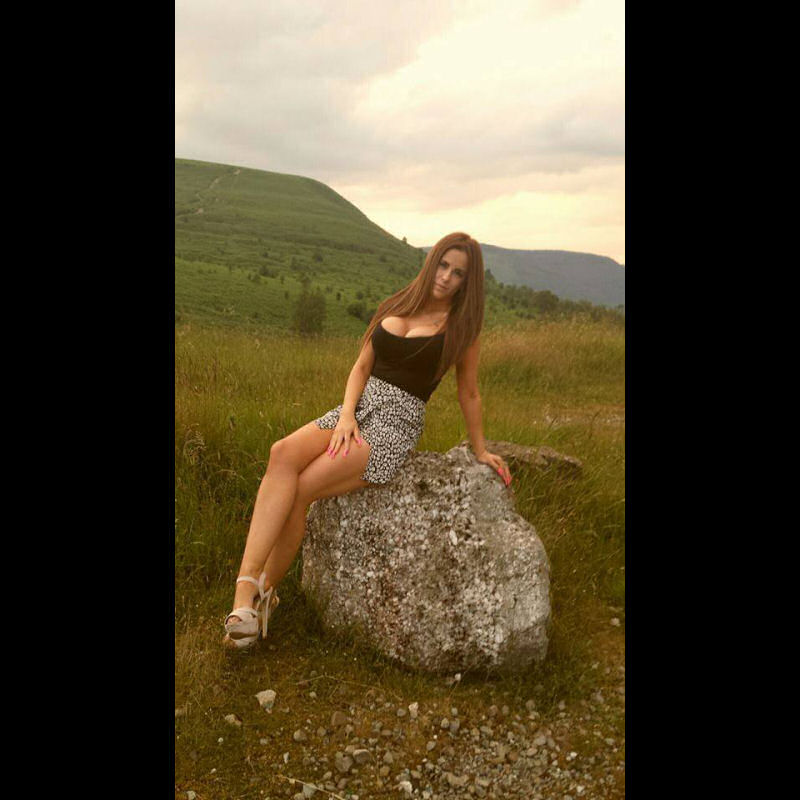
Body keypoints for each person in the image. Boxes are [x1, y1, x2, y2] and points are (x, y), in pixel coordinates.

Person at [223, 231, 513, 649]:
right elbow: (361, 367)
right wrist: (346, 415)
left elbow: (469, 393)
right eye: (444, 265)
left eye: (458, 273)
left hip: (395, 424)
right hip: (357, 410)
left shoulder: (462, 329)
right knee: (282, 453)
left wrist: (480, 449)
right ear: (432, 262)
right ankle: (245, 593)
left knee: (302, 489)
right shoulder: (396, 304)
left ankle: (260, 596)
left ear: (468, 282)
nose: (447, 277)